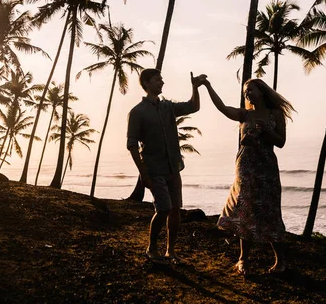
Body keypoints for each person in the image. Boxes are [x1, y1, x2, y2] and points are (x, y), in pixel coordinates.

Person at [201, 76, 294, 274]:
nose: (247, 94)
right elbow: (223, 108)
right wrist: (208, 86)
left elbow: (281, 142)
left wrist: (266, 131)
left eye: (250, 90)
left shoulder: (275, 114)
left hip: (266, 168)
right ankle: (243, 260)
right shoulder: (246, 115)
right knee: (245, 209)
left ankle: (281, 261)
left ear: (261, 92)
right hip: (245, 167)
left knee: (270, 211)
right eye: (245, 92)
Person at [126, 68, 203, 263]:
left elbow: (193, 107)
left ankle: (171, 250)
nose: (162, 82)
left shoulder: (168, 107)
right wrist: (143, 173)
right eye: (158, 79)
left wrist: (195, 87)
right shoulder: (137, 112)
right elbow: (132, 145)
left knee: (175, 209)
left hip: (173, 167)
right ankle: (152, 247)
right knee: (163, 209)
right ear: (147, 83)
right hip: (153, 168)